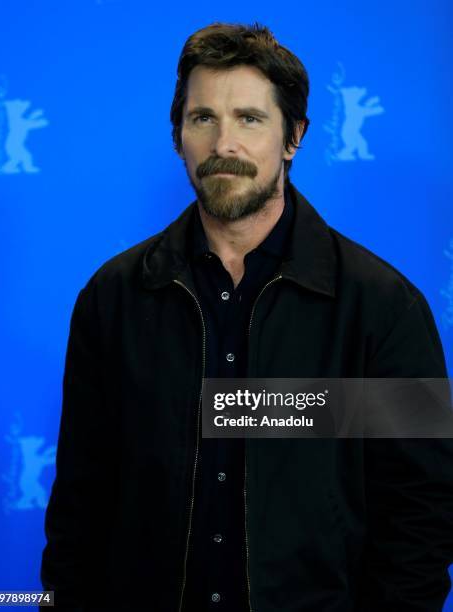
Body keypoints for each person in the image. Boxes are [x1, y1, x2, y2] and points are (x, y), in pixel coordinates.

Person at [40, 22, 453, 612]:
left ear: (294, 137)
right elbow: (81, 505)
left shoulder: (385, 306)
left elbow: (422, 514)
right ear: (179, 135)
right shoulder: (113, 299)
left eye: (249, 119)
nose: (223, 144)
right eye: (202, 118)